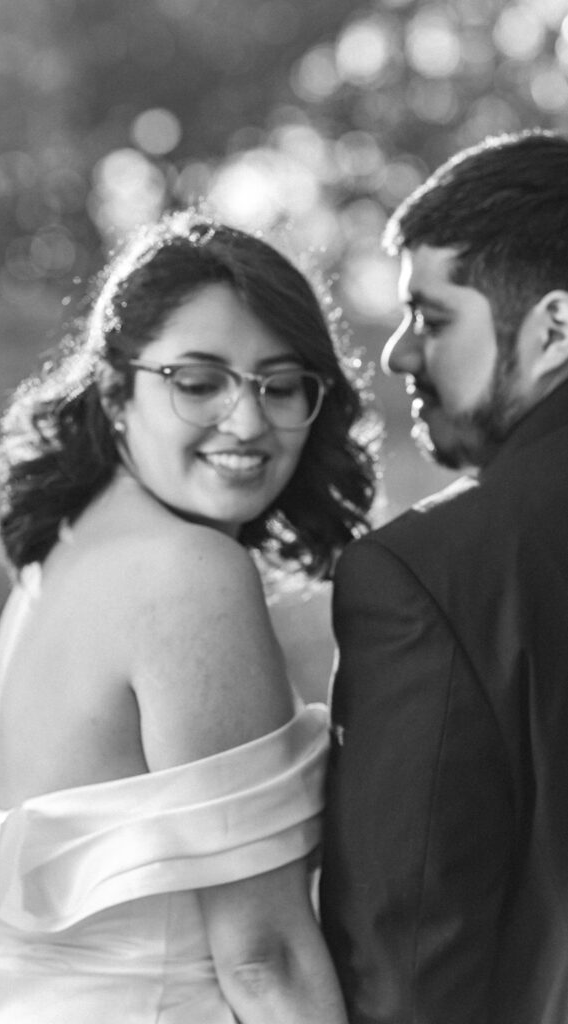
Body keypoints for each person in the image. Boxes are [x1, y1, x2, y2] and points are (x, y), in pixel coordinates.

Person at [0, 210, 375, 1024]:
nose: (247, 421)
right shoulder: (186, 572)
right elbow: (264, 958)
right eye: (198, 381)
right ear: (115, 392)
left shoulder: (63, 555)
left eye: (279, 384)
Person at [320, 129, 568, 1024]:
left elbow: (410, 956)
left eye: (431, 318)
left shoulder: (425, 575)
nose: (396, 356)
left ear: (554, 329)